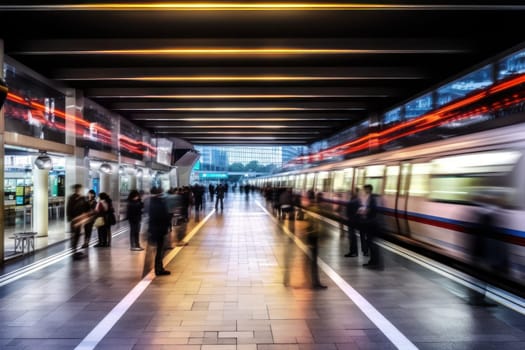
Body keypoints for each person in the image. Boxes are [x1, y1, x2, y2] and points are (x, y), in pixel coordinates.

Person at [149, 187, 172, 276]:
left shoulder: (152, 201)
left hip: (155, 229)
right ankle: (158, 269)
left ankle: (160, 268)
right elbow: (162, 216)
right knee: (160, 250)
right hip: (159, 230)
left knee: (160, 250)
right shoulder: (158, 203)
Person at [359, 184, 381, 267]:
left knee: (371, 243)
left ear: (368, 190)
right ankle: (373, 261)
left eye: (365, 189)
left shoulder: (372, 199)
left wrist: (363, 211)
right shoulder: (370, 198)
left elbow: (371, 209)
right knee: (370, 242)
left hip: (371, 223)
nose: (364, 191)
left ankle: (374, 262)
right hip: (370, 222)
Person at [66, 184, 89, 259]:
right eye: (77, 189)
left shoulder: (82, 198)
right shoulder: (71, 198)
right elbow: (69, 208)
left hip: (79, 218)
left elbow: (86, 207)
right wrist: (70, 218)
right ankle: (74, 249)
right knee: (74, 234)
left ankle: (75, 249)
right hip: (74, 219)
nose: (78, 190)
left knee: (78, 234)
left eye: (78, 189)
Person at [344, 188, 360, 257]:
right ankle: (352, 251)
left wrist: (347, 198)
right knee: (351, 237)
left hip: (352, 221)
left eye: (354, 192)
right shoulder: (355, 199)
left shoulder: (355, 200)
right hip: (353, 220)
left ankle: (354, 252)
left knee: (352, 236)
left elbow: (349, 206)